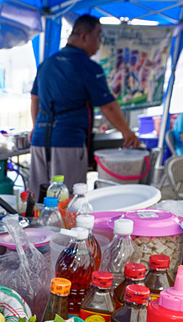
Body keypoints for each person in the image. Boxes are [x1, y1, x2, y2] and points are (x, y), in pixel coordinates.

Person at [29, 15, 140, 195]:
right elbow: (108, 106)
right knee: (67, 198)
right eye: (98, 35)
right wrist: (127, 132)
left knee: (38, 197)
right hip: (68, 142)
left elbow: (35, 99)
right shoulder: (88, 67)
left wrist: (36, 127)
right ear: (84, 36)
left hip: (39, 141)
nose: (100, 42)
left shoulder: (47, 64)